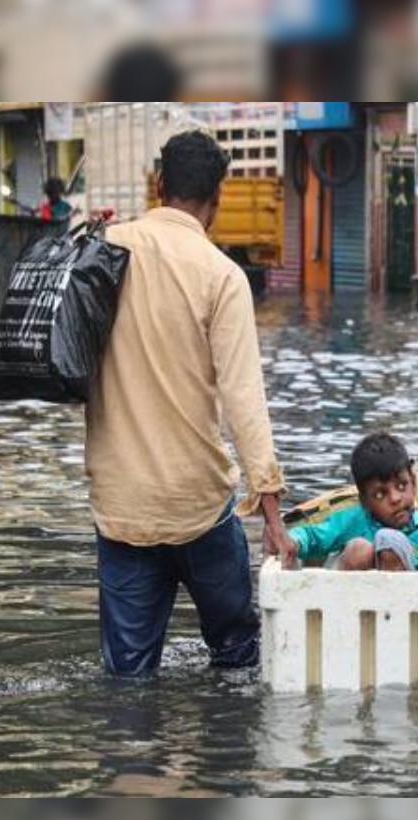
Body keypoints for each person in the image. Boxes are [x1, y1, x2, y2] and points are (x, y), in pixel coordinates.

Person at [86, 130, 293, 677]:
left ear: (158, 185)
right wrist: (272, 516)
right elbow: (244, 400)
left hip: (121, 506)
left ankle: (130, 762)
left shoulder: (103, 250)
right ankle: (226, 759)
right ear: (217, 201)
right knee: (239, 660)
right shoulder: (221, 275)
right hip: (198, 505)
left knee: (127, 681)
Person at [289, 433, 418, 572]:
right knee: (360, 549)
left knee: (390, 543)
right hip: (352, 618)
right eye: (380, 495)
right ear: (365, 501)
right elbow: (312, 535)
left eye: (402, 486)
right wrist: (293, 541)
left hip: (415, 620)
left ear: (413, 483)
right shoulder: (353, 520)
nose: (395, 498)